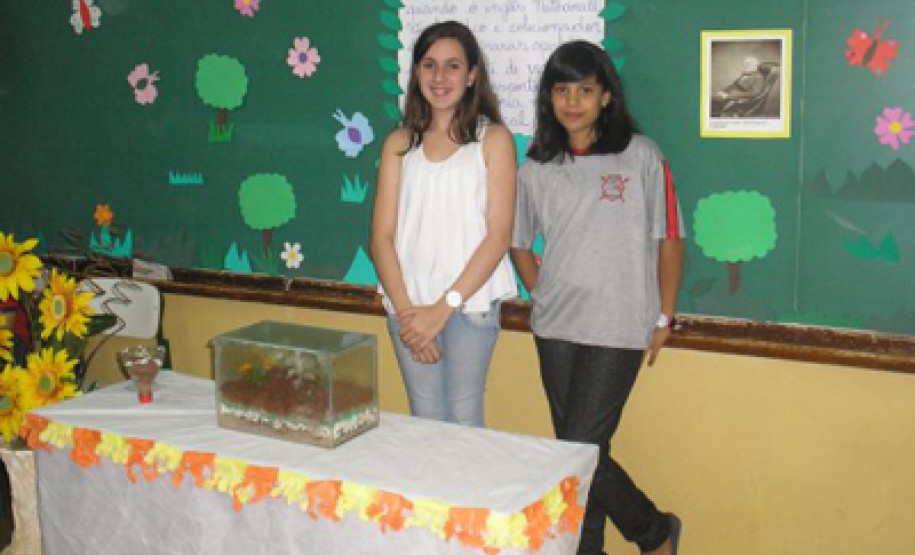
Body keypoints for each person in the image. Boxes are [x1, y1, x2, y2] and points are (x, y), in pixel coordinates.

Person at [511, 41, 684, 555]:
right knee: (581, 455)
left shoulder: (641, 155)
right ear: (549, 97)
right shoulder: (538, 164)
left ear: (606, 96)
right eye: (562, 90)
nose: (572, 101)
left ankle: (654, 532)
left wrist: (665, 316)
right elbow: (518, 242)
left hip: (617, 326)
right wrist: (542, 291)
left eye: (584, 90)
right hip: (555, 328)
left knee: (578, 450)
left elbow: (669, 238)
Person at [370, 20, 517, 427]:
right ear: (416, 73)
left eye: (453, 66)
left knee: (463, 420)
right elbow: (381, 238)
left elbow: (498, 236)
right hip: (408, 304)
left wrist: (442, 310)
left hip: (469, 305)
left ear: (472, 75)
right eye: (429, 65)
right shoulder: (399, 143)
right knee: (425, 421)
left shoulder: (494, 140)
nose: (439, 77)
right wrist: (409, 317)